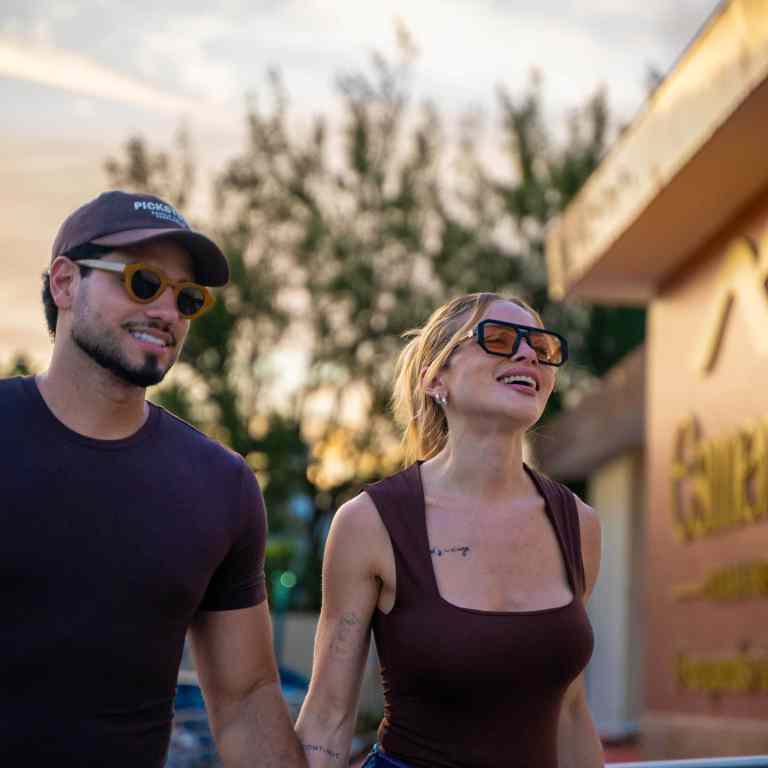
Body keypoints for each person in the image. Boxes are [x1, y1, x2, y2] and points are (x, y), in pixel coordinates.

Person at [0, 191, 306, 768]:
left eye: (187, 298)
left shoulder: (221, 487)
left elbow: (245, 703)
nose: (168, 312)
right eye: (143, 282)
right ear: (65, 283)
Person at [295, 292, 603, 768]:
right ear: (436, 378)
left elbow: (571, 710)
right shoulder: (369, 522)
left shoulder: (579, 524)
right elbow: (327, 716)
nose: (528, 355)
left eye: (541, 349)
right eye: (498, 340)